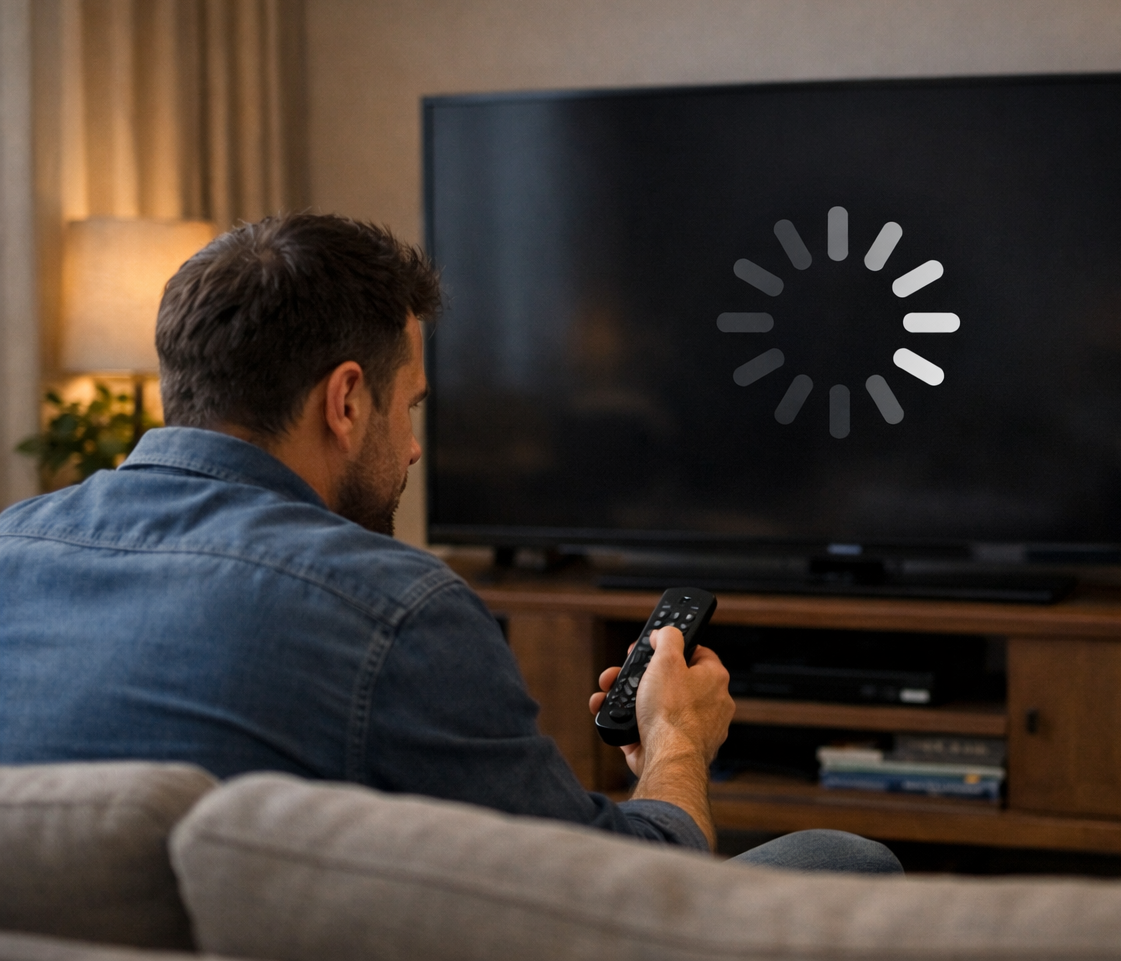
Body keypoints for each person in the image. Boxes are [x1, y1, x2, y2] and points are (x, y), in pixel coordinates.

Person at [0, 213, 899, 874]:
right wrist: (674, 741)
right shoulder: (391, 610)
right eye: (411, 406)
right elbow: (620, 888)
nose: (418, 445)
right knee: (842, 858)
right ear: (346, 402)